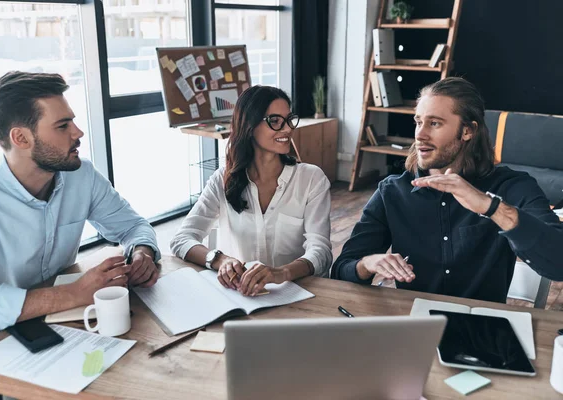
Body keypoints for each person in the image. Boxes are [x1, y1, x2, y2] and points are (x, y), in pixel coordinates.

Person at [332, 77, 563, 303]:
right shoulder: (392, 191)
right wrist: (367, 264)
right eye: (418, 122)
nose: (420, 135)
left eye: (434, 123)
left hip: (483, 331)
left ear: (467, 131)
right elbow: (341, 270)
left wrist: (490, 207)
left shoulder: (513, 186)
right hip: (413, 329)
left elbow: (558, 264)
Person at [0, 71, 161, 334]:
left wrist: (142, 253)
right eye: (62, 126)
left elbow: (133, 226)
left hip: (70, 324)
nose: (78, 132)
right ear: (20, 138)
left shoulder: (81, 176)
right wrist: (72, 294)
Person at [171, 85, 332, 296]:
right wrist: (220, 260)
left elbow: (321, 252)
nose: (287, 129)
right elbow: (182, 239)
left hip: (297, 296)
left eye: (289, 119)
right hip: (241, 297)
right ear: (249, 125)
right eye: (274, 121)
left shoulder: (311, 179)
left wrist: (281, 273)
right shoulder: (223, 179)